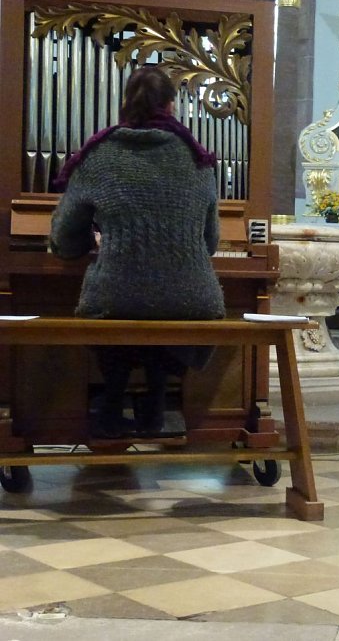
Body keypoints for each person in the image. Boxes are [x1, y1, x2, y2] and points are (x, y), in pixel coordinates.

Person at [50, 66, 225, 439]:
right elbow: (210, 243)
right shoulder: (198, 158)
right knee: (166, 301)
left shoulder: (99, 155)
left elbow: (64, 240)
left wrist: (97, 242)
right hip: (194, 298)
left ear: (126, 103)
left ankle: (112, 406)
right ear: (171, 106)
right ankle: (157, 405)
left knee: (120, 302)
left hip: (118, 295)